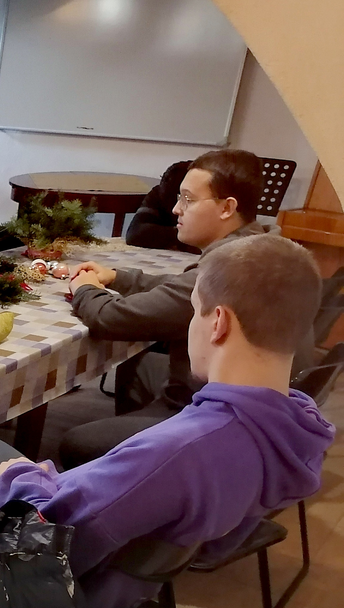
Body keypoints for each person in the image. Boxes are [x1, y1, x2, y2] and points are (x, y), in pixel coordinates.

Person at [0, 235, 333, 608]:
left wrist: (18, 477)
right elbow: (215, 544)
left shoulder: (178, 451)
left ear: (218, 323)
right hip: (130, 588)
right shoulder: (298, 430)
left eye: (195, 311)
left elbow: (45, 541)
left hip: (55, 599)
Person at [59, 148, 315, 467]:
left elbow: (109, 318)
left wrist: (84, 286)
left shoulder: (228, 273)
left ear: (227, 208)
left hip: (214, 415)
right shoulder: (261, 251)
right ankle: (141, 456)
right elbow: (182, 286)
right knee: (137, 364)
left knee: (75, 443)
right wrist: (118, 277)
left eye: (188, 199)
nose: (176, 209)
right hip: (267, 407)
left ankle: (149, 457)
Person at [124, 159, 199, 253]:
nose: (175, 209)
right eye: (178, 198)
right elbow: (135, 234)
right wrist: (183, 235)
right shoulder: (161, 192)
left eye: (186, 199)